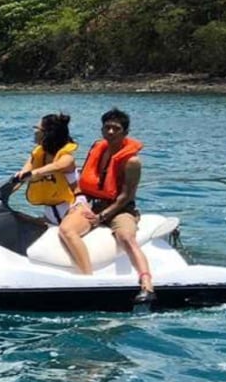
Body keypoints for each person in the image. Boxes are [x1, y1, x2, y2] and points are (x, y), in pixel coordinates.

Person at [56, 108, 153, 302]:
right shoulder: (98, 148)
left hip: (120, 208)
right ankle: (88, 279)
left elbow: (126, 196)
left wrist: (102, 217)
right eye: (107, 127)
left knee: (126, 237)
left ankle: (147, 285)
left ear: (125, 132)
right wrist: (80, 201)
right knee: (66, 230)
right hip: (93, 204)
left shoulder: (132, 161)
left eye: (115, 128)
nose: (110, 132)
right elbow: (84, 180)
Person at [14, 112, 78, 225]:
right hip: (51, 212)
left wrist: (35, 173)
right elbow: (22, 176)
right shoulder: (38, 154)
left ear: (47, 133)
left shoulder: (66, 157)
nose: (34, 131)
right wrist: (6, 191)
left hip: (71, 210)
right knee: (14, 218)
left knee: (67, 233)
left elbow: (57, 166)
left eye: (37, 128)